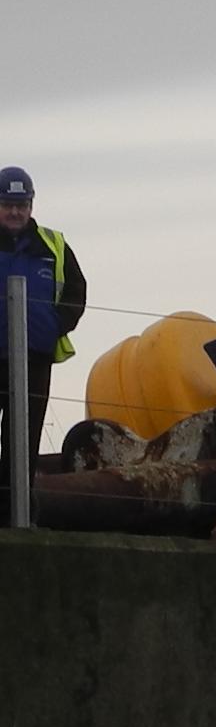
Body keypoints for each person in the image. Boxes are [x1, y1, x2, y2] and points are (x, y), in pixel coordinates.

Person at [0, 168, 86, 522]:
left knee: (23, 441)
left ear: (31, 204)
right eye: (8, 204)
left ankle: (15, 514)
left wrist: (54, 327)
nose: (15, 212)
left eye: (21, 204)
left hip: (34, 359)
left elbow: (76, 293)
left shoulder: (53, 245)